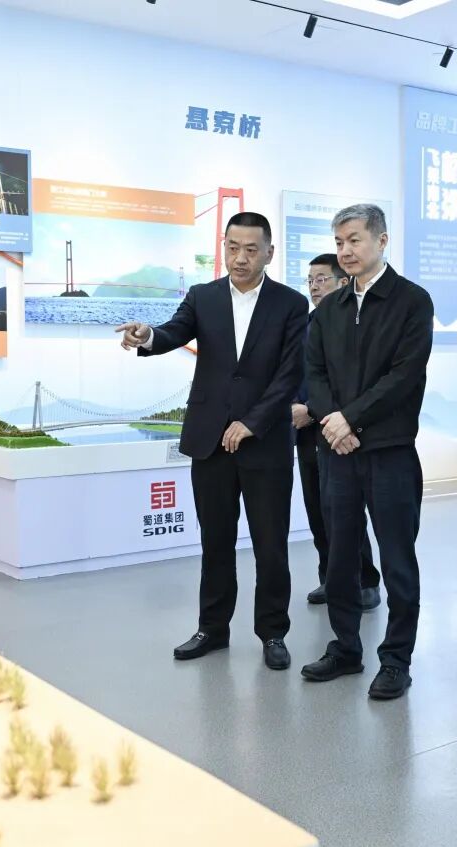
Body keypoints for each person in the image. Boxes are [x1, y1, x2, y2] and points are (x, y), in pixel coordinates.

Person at [116, 212, 308, 670]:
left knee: (270, 544)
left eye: (250, 250)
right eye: (232, 247)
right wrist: (147, 335)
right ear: (223, 247)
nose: (240, 258)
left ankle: (273, 632)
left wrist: (253, 423)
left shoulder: (290, 304)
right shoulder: (203, 296)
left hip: (265, 442)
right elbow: (172, 332)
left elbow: (290, 374)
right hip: (210, 440)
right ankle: (212, 628)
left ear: (269, 253)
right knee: (215, 541)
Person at [299, 204, 434, 701]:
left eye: (354, 240)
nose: (345, 251)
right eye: (339, 242)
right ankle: (345, 648)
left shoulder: (412, 301)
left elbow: (404, 375)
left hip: (389, 451)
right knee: (340, 556)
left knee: (398, 559)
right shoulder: (328, 309)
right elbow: (315, 374)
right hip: (337, 452)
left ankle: (396, 660)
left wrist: (349, 419)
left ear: (382, 240)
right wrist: (333, 421)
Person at [293, 253, 381, 610]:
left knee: (346, 512)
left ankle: (365, 581)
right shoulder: (308, 322)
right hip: (305, 433)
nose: (314, 286)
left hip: (338, 432)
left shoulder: (352, 324)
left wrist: (311, 410)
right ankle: (330, 578)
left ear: (343, 282)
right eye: (310, 280)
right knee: (317, 510)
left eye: (321, 279)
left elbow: (347, 384)